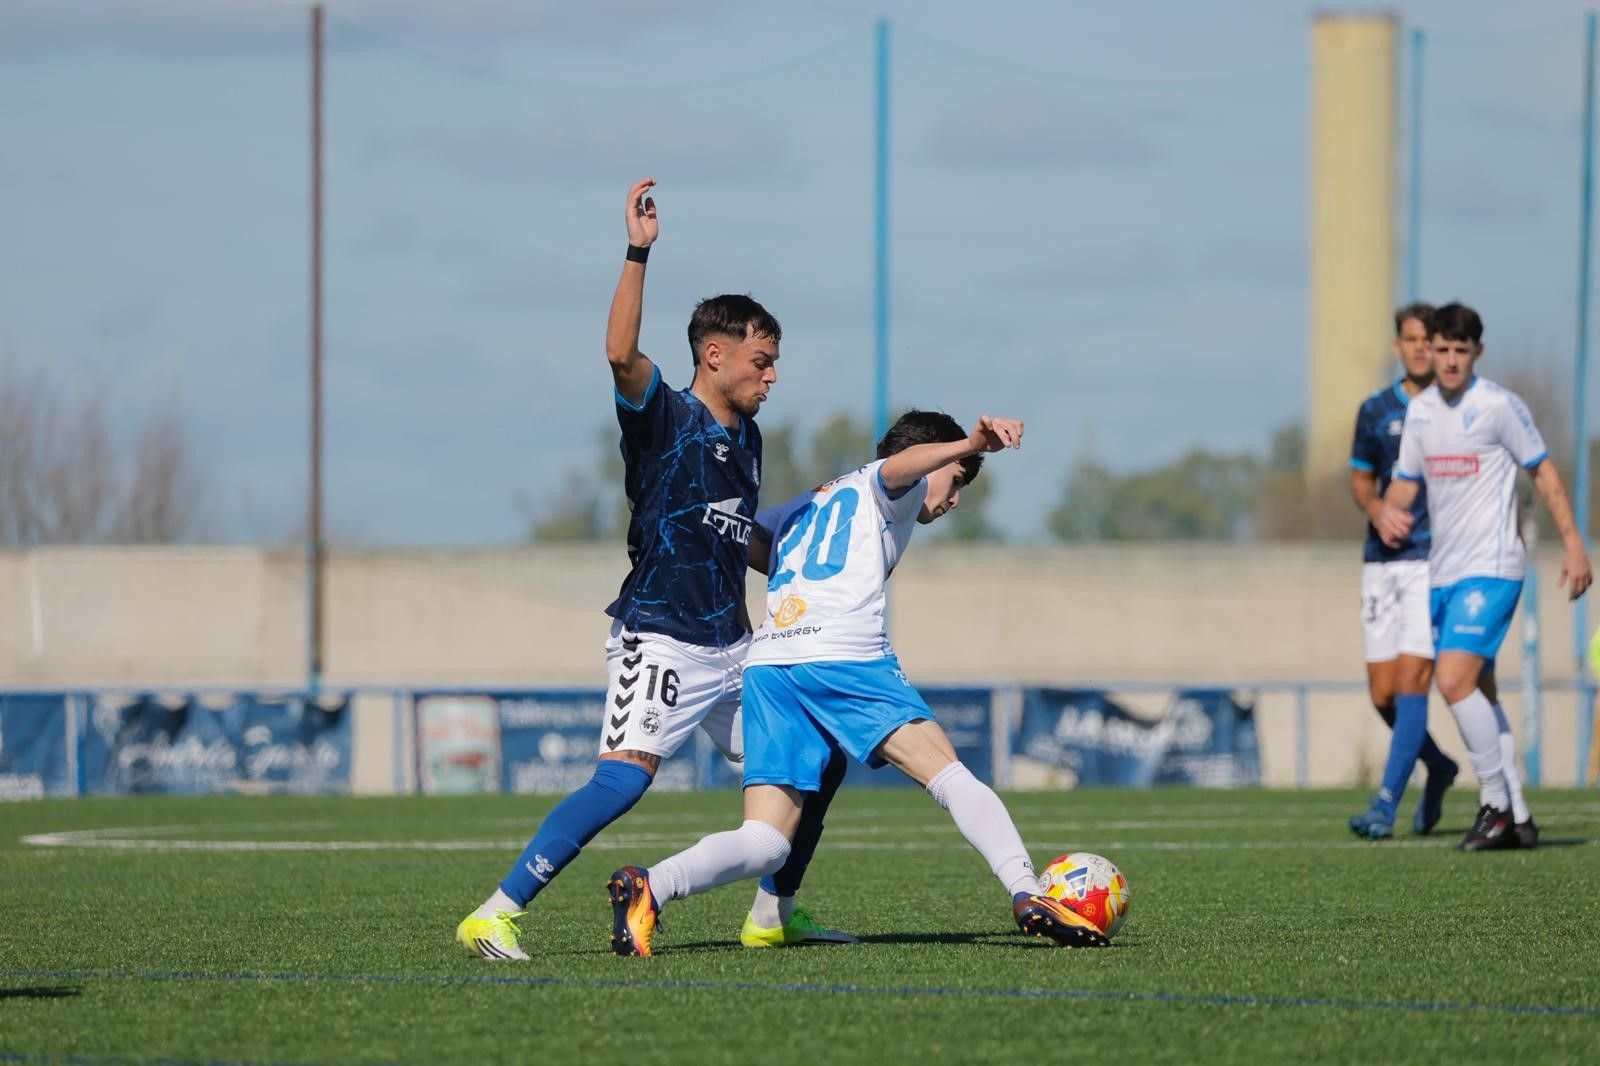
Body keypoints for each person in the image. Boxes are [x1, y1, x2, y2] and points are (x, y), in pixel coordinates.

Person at [456, 178, 850, 959]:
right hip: (660, 636)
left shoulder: (748, 442)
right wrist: (639, 250)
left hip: (735, 649)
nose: (772, 377)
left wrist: (807, 566)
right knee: (624, 780)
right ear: (715, 353)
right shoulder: (665, 415)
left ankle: (774, 914)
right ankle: (494, 912)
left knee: (823, 753)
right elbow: (617, 354)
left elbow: (738, 539)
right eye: (761, 361)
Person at [605, 410, 1111, 956]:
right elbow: (899, 469)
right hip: (842, 654)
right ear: (931, 458)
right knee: (950, 777)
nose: (955, 497)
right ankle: (1028, 892)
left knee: (766, 841)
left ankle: (652, 886)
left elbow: (749, 539)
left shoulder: (818, 498)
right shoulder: (892, 483)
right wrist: (966, 442)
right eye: (957, 479)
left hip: (772, 661)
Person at [1379, 302, 1592, 851]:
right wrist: (1383, 512)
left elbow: (1542, 471)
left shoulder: (1498, 406)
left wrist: (1574, 544)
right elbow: (1404, 485)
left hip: (1494, 567)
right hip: (1444, 574)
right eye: (1442, 350)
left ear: (1477, 352)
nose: (1449, 361)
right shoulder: (1423, 413)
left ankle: (1493, 804)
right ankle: (1519, 815)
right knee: (1483, 693)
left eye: (1460, 351)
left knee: (1452, 681)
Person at [1346, 303, 1460, 839]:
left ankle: (1385, 805)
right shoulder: (1375, 411)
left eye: (1427, 340)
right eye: (1411, 340)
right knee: (1383, 695)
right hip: (1381, 564)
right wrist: (1376, 510)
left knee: (1415, 682)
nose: (1420, 348)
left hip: (1431, 561)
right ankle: (1438, 766)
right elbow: (1361, 480)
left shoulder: (1454, 409)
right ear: (1399, 347)